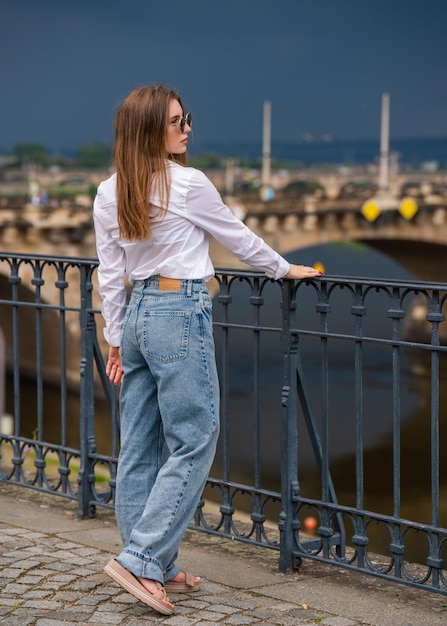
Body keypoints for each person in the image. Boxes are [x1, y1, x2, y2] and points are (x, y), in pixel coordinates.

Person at [93, 84, 322, 616]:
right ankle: (142, 559)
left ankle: (156, 561)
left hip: (141, 316)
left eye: (186, 117)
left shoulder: (109, 191)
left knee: (141, 445)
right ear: (152, 131)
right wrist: (284, 269)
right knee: (195, 439)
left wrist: (114, 335)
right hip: (178, 312)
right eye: (177, 121)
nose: (187, 127)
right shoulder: (187, 183)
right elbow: (236, 238)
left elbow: (112, 272)